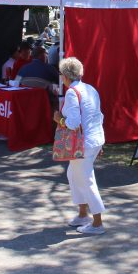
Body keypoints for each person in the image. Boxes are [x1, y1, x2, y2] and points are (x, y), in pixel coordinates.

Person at [53, 57, 106, 235]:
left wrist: (59, 119)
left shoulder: (71, 92)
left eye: (61, 74)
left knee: (84, 179)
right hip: (94, 139)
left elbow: (73, 123)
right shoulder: (90, 89)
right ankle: (83, 214)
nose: (61, 77)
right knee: (74, 175)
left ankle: (97, 222)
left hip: (84, 142)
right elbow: (98, 116)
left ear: (66, 76)